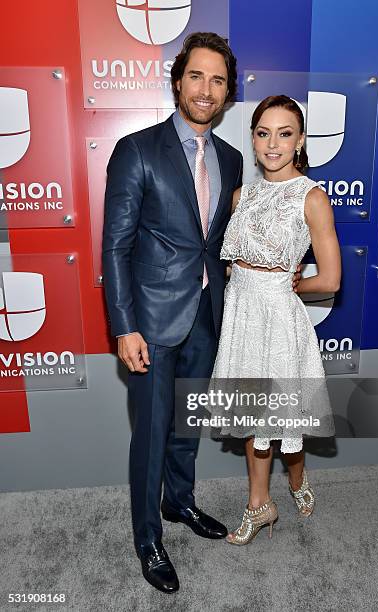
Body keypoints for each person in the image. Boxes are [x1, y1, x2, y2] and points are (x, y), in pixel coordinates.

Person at [102, 33, 244, 593]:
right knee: (153, 433)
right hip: (152, 324)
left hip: (207, 317)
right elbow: (116, 245)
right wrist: (123, 326)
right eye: (196, 76)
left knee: (187, 428)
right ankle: (147, 539)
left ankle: (179, 503)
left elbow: (219, 242)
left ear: (227, 92)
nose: (205, 89)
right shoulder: (136, 149)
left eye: (217, 80)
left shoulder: (232, 160)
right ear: (177, 81)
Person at [211, 95, 341, 545]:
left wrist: (291, 285)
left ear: (301, 140)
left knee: (284, 420)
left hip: (279, 320)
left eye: (285, 134)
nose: (272, 143)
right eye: (264, 133)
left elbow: (330, 278)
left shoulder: (313, 197)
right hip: (242, 315)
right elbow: (230, 260)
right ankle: (259, 505)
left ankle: (297, 480)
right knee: (253, 416)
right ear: (252, 138)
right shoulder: (240, 195)